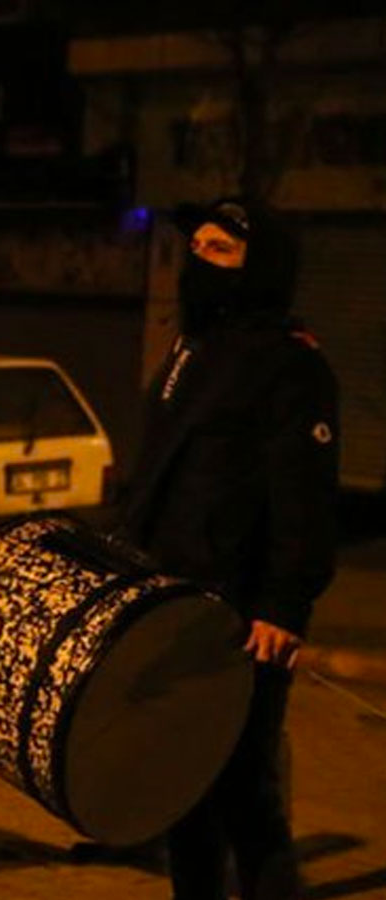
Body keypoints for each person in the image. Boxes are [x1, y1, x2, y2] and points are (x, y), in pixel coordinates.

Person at [122, 198, 338, 900]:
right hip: (174, 604)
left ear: (260, 267)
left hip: (242, 617)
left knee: (246, 792)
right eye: (198, 247)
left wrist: (283, 605)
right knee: (184, 790)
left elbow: (302, 500)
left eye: (220, 251)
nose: (200, 261)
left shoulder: (288, 364)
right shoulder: (193, 348)